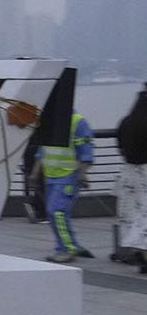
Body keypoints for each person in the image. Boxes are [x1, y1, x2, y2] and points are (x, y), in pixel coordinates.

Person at [39, 110, 98, 263]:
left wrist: (82, 172)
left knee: (56, 212)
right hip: (51, 175)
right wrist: (34, 174)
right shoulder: (50, 121)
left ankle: (67, 249)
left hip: (69, 175)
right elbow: (42, 150)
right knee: (56, 214)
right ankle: (71, 245)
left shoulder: (78, 122)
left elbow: (86, 149)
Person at [118, 85, 147, 272]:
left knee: (135, 216)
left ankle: (140, 255)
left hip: (130, 174)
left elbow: (120, 147)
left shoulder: (126, 122)